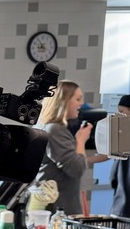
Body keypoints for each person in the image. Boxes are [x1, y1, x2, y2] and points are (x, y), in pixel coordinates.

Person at [36, 80, 109, 215]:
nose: (81, 104)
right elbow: (77, 169)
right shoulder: (54, 130)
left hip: (55, 206)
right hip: (59, 209)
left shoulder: (46, 127)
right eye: (77, 99)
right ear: (63, 101)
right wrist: (80, 140)